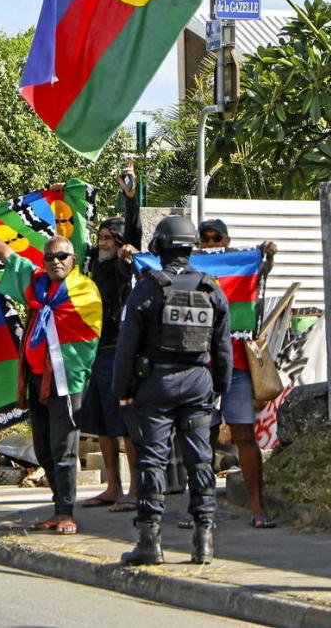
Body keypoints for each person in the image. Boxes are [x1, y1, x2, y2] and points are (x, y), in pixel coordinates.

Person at [0, 195, 101, 536]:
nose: (55, 261)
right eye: (49, 256)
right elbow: (7, 255)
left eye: (62, 256)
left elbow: (89, 334)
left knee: (64, 447)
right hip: (37, 379)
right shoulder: (37, 285)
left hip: (67, 380)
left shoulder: (83, 289)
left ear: (73, 260)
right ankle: (57, 506)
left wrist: (70, 207)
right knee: (43, 448)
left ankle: (66, 512)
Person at [114, 216, 233, 565]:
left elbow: (127, 346)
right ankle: (203, 541)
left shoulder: (148, 287)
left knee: (152, 459)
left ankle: (150, 542)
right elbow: (223, 347)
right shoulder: (211, 288)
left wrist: (122, 389)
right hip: (199, 383)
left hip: (156, 384)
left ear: (160, 247)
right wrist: (218, 390)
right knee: (200, 460)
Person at [195, 218, 278, 529]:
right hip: (201, 369)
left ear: (227, 241)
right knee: (202, 438)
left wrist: (266, 256)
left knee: (244, 435)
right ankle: (199, 508)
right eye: (206, 238)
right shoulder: (188, 271)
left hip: (239, 367)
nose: (212, 243)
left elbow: (261, 274)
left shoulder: (238, 269)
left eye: (217, 238)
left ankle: (258, 505)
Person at [80, 162, 142, 513]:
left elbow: (134, 235)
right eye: (100, 238)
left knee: (124, 424)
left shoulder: (120, 265)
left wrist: (130, 198)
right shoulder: (94, 264)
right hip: (93, 350)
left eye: (108, 239)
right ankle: (112, 487)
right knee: (101, 423)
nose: (102, 243)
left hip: (118, 351)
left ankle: (134, 488)